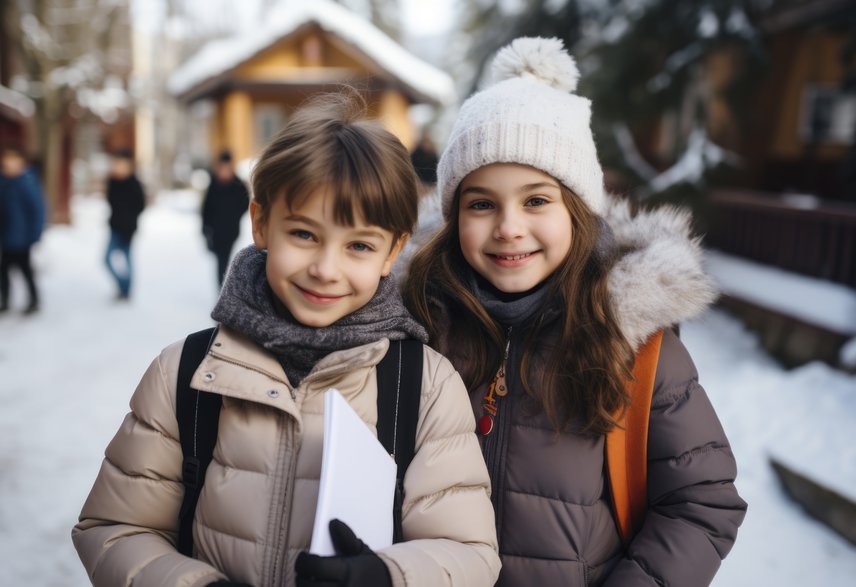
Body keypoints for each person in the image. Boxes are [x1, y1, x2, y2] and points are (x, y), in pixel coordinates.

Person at [72, 91, 500, 587]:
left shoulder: (422, 385)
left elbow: (469, 553)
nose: (325, 269)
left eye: (359, 245)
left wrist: (389, 577)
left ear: (392, 253)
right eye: (304, 234)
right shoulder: (186, 373)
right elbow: (115, 528)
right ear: (261, 223)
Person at [404, 37, 747, 586]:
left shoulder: (634, 347)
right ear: (453, 218)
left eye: (536, 200)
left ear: (578, 212)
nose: (509, 226)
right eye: (481, 203)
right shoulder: (417, 326)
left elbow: (701, 503)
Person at [0, 144, 45, 314]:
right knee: (3, 271)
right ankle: (5, 300)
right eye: (7, 158)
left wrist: (35, 234)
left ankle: (34, 300)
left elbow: (38, 210)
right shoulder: (3, 181)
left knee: (25, 270)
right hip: (5, 236)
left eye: (14, 159)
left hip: (23, 238)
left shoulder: (28, 181)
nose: (10, 163)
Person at [201, 149, 250, 287]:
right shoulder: (213, 185)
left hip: (230, 230)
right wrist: (205, 228)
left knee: (225, 260)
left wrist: (234, 216)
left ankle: (224, 288)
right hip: (215, 232)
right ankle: (222, 288)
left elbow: (245, 204)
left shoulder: (238, 185)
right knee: (220, 261)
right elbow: (206, 209)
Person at [103, 147, 146, 300]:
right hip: (114, 227)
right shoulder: (113, 182)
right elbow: (110, 202)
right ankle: (123, 285)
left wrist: (129, 222)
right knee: (106, 259)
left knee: (127, 260)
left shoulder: (134, 184)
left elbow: (140, 206)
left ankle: (127, 291)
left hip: (128, 229)